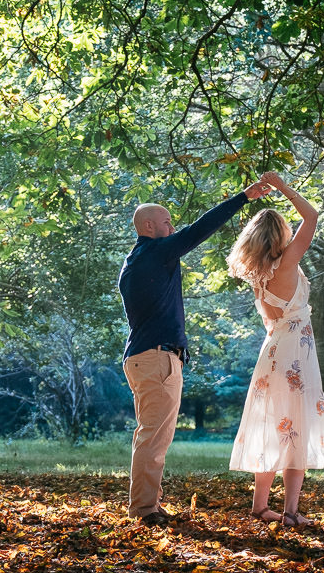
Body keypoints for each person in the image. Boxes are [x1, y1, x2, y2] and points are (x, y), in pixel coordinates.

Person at [119, 180, 270, 526]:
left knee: (153, 436)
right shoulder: (154, 252)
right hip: (156, 358)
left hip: (146, 358)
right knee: (153, 437)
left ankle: (148, 505)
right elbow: (199, 229)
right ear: (149, 227)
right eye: (167, 222)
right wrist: (243, 197)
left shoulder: (136, 261)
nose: (173, 228)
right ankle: (144, 510)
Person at [226, 171, 324, 527]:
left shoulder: (258, 276)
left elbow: (270, 321)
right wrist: (282, 187)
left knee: (273, 426)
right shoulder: (288, 263)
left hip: (272, 353)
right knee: (296, 428)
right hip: (295, 354)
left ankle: (260, 506)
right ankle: (291, 513)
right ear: (281, 234)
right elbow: (311, 216)